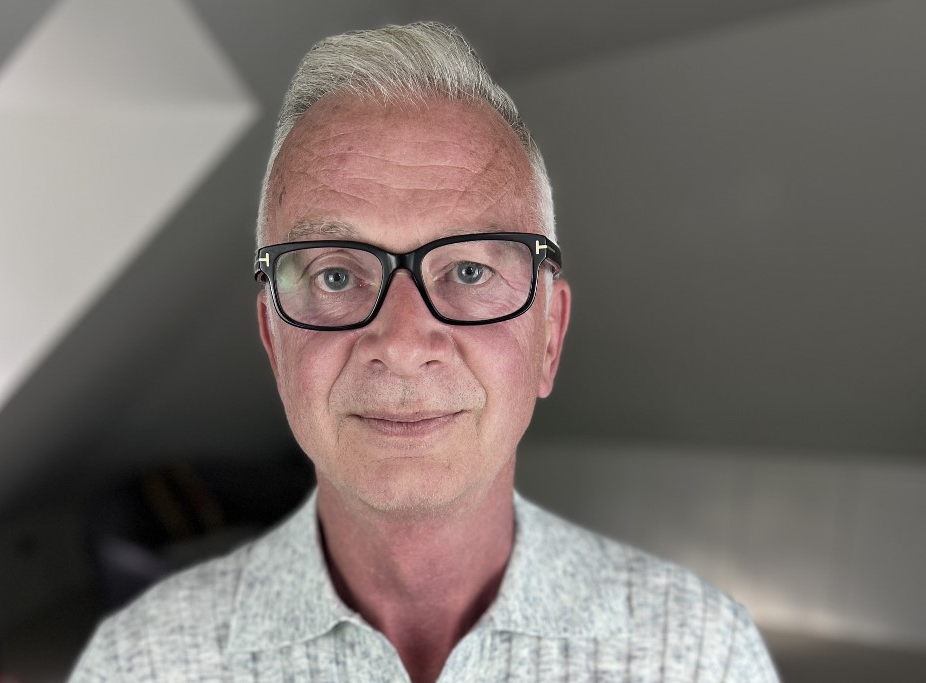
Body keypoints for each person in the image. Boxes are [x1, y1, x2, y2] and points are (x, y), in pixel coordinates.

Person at [69, 22, 779, 683]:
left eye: (469, 270)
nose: (404, 344)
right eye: (336, 275)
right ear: (273, 339)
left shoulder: (702, 656)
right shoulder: (138, 665)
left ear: (549, 337)